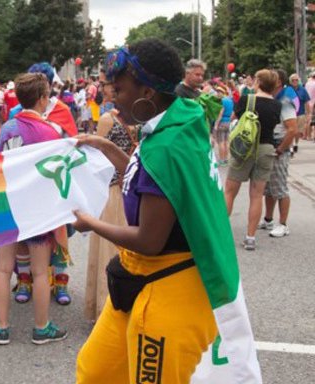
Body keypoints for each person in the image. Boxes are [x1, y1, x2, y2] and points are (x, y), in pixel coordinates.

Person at [75, 39, 224, 383]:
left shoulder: (166, 145)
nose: (112, 96)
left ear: (148, 93)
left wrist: (90, 222)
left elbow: (149, 239)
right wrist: (110, 148)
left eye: (120, 89)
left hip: (168, 288)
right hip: (143, 278)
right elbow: (153, 186)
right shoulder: (178, 123)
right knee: (94, 370)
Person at [0, 72, 68, 345]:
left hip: (8, 204)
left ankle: (1, 327)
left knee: (2, 268)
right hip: (38, 208)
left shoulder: (8, 127)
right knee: (39, 271)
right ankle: (41, 327)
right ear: (43, 98)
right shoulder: (51, 131)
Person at [84, 69, 135, 322]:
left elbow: (96, 158)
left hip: (113, 189)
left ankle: (107, 308)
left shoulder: (107, 119)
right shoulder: (138, 118)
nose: (102, 88)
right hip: (130, 190)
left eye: (105, 85)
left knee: (109, 248)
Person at [224, 69, 281, 251]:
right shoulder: (277, 105)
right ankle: (250, 237)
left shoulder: (247, 100)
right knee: (256, 195)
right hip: (266, 148)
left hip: (244, 149)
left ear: (258, 81)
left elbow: (234, 118)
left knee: (230, 192)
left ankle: (221, 234)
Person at [259, 69, 298, 238]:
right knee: (269, 188)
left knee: (280, 187)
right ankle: (268, 219)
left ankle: (283, 224)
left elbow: (292, 129)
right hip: (271, 148)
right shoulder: (273, 100)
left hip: (280, 150)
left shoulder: (285, 102)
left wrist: (281, 148)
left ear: (278, 82)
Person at [289, 73, 311, 153]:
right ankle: (290, 146)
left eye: (296, 80)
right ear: (290, 81)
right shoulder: (288, 90)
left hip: (301, 113)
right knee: (291, 130)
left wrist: (308, 114)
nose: (295, 81)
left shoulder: (303, 90)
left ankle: (296, 144)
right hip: (290, 114)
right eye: (293, 80)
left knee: (298, 131)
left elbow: (306, 103)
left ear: (299, 81)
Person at [213, 85, 234, 165]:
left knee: (221, 142)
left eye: (219, 92)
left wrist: (216, 124)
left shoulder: (222, 101)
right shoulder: (230, 100)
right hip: (228, 121)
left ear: (223, 92)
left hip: (222, 122)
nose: (217, 94)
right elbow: (232, 112)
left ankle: (222, 160)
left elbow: (221, 113)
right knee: (226, 141)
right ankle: (226, 159)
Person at [304, 72, 315, 141]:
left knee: (307, 120)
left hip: (307, 102)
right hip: (313, 103)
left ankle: (306, 135)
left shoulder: (307, 83)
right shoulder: (314, 83)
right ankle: (310, 136)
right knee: (311, 120)